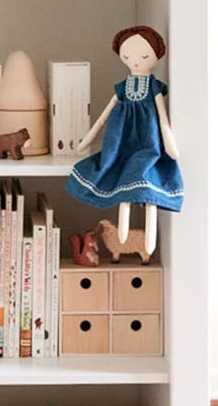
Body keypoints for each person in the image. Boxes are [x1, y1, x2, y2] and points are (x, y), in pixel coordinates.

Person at [65, 25, 183, 256]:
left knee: (145, 185)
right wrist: (88, 139)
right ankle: (123, 236)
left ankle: (147, 240)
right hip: (120, 141)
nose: (135, 61)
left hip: (149, 143)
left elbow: (162, 117)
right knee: (124, 186)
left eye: (143, 56)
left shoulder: (154, 88)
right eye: (127, 56)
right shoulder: (122, 88)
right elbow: (104, 116)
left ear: (156, 56)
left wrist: (169, 142)